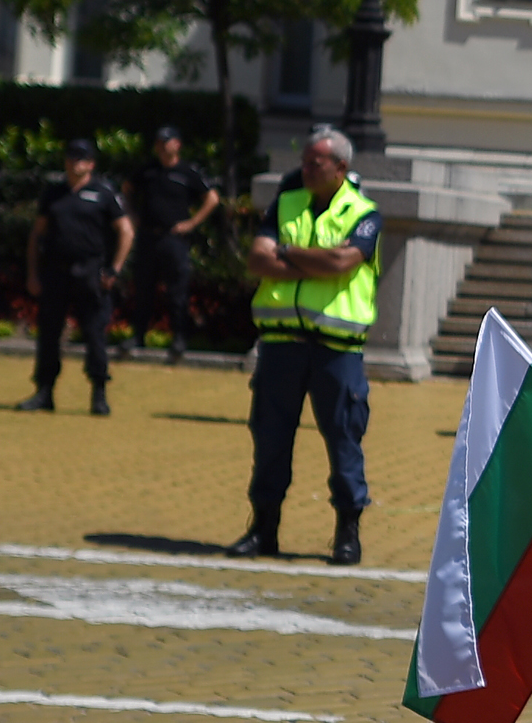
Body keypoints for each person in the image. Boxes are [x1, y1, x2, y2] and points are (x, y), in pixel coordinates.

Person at [237, 128, 382, 562]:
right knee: (270, 438)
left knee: (343, 441)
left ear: (341, 168)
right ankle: (264, 529)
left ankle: (347, 534)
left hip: (337, 350)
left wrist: (289, 254)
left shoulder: (364, 213)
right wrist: (312, 259)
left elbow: (343, 262)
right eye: (304, 161)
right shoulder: (286, 203)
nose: (305, 169)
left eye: (315, 163)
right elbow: (258, 260)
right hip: (282, 345)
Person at [24, 137, 132, 416]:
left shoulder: (103, 193)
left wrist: (114, 269)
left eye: (82, 159)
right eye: (71, 158)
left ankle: (99, 392)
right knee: (49, 333)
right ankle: (44, 391)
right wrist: (34, 273)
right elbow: (38, 234)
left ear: (92, 164)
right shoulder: (54, 193)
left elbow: (125, 231)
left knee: (95, 333)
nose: (75, 163)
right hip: (56, 272)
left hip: (91, 272)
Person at [123, 125, 220, 360]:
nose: (162, 146)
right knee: (143, 288)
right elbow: (127, 189)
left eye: (167, 142)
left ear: (177, 145)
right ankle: (138, 336)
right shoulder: (147, 171)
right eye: (159, 142)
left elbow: (212, 198)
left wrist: (192, 223)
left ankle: (179, 338)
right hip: (148, 236)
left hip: (173, 239)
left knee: (177, 291)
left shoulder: (187, 173)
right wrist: (131, 215)